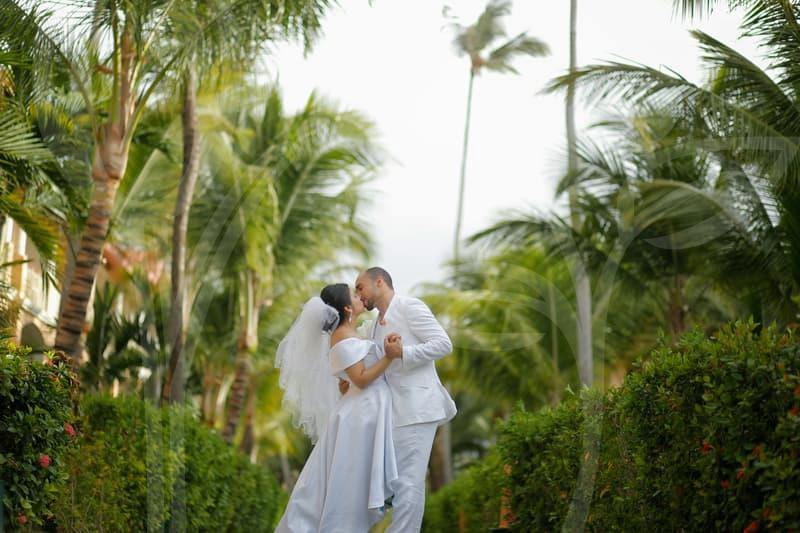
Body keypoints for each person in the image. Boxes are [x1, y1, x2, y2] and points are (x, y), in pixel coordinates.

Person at [274, 283, 404, 532]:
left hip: (363, 410)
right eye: (355, 295)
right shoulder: (342, 336)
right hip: (358, 416)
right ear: (347, 307)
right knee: (347, 485)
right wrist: (389, 356)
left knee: (348, 482)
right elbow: (362, 379)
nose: (359, 297)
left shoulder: (351, 333)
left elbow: (352, 377)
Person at [349, 267, 457, 533]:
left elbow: (443, 344)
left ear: (379, 282)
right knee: (395, 483)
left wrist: (403, 353)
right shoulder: (374, 325)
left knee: (409, 481)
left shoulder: (410, 306)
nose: (358, 295)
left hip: (419, 407)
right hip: (394, 413)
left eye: (360, 287)